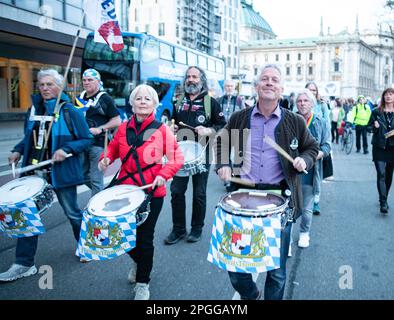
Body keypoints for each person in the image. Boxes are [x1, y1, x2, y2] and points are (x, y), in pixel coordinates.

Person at [214, 64, 319, 300]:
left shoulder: (294, 121)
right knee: (236, 266)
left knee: (277, 271)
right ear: (256, 86)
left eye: (274, 80)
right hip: (242, 199)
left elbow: (311, 147)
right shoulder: (239, 118)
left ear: (281, 89)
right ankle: (250, 295)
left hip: (280, 201)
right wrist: (223, 165)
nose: (269, 82)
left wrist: (304, 159)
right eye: (264, 79)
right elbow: (220, 143)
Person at [0, 69, 93, 282]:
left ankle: (85, 247)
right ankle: (24, 263)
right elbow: (28, 138)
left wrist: (66, 149)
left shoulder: (70, 111)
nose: (45, 88)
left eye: (50, 84)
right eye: (41, 84)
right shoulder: (33, 110)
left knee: (72, 212)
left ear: (59, 87)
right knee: (26, 216)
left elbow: (86, 139)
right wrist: (17, 150)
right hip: (34, 172)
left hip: (60, 172)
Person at [98, 84, 184, 299]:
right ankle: (140, 261)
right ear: (132, 103)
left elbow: (177, 158)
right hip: (125, 191)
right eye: (139, 98)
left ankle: (143, 282)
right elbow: (113, 150)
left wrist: (163, 174)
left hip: (150, 193)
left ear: (154, 104)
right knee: (120, 235)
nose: (143, 101)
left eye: (148, 98)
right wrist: (105, 158)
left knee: (144, 238)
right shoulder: (123, 127)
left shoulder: (161, 129)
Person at [165, 66, 226, 245]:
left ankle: (197, 228)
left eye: (195, 77)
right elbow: (173, 122)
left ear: (202, 80)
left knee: (199, 193)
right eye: (188, 77)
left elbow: (222, 126)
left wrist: (208, 129)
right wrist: (172, 127)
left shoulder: (210, 102)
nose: (191, 80)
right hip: (181, 152)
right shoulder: (178, 101)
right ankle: (178, 229)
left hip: (202, 152)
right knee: (176, 191)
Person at [77, 68, 121, 196]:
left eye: (90, 80)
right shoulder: (80, 98)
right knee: (82, 175)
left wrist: (100, 129)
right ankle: (103, 195)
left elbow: (117, 120)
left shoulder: (105, 98)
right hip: (82, 142)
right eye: (84, 80)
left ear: (98, 81)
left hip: (99, 143)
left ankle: (94, 210)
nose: (86, 82)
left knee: (96, 179)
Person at [295, 89, 331, 248]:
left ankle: (304, 233)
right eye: (299, 101)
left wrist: (313, 156)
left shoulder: (320, 121)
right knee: (289, 206)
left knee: (307, 207)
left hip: (311, 169)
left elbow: (327, 146)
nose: (302, 103)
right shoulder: (290, 119)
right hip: (291, 169)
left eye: (305, 101)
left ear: (312, 103)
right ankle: (286, 235)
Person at [305, 81, 331, 215]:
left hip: (318, 141)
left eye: (314, 90)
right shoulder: (301, 102)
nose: (311, 92)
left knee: (316, 173)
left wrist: (325, 146)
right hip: (303, 143)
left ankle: (315, 201)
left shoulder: (321, 105)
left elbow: (327, 123)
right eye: (309, 89)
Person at [368, 88, 394, 214]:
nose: (388, 97)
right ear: (383, 97)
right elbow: (368, 127)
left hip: (392, 148)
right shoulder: (376, 112)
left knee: (389, 175)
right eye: (386, 95)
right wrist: (374, 126)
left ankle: (384, 196)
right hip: (379, 146)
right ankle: (383, 203)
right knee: (381, 173)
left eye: (391, 94)